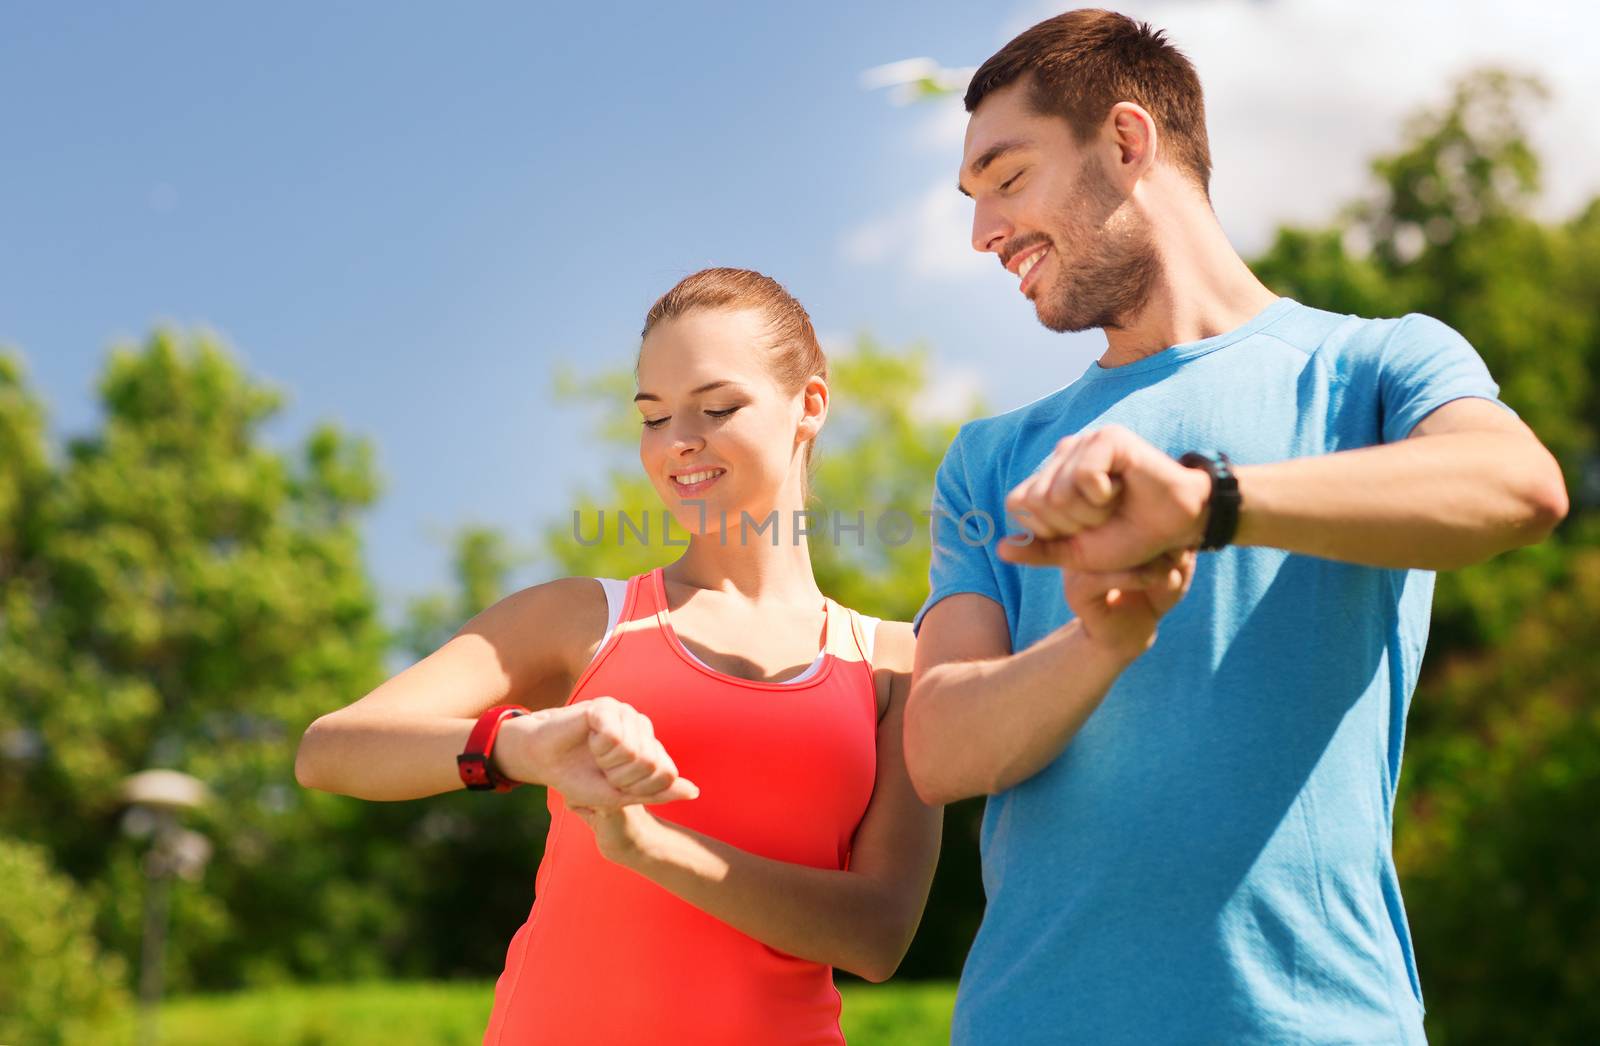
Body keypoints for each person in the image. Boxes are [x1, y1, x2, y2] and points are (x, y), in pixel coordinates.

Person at [903, 10, 1569, 1045]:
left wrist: (1207, 503)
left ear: (1126, 144)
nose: (982, 232)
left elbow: (1517, 485)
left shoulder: (1376, 364)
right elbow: (938, 747)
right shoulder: (989, 458)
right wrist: (1101, 641)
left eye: (1005, 177)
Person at [295, 267, 941, 1045]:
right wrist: (516, 744)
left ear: (809, 405)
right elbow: (330, 750)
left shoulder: (897, 662)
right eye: (653, 416)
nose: (677, 444)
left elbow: (877, 934)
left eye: (716, 407)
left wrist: (650, 846)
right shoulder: (582, 619)